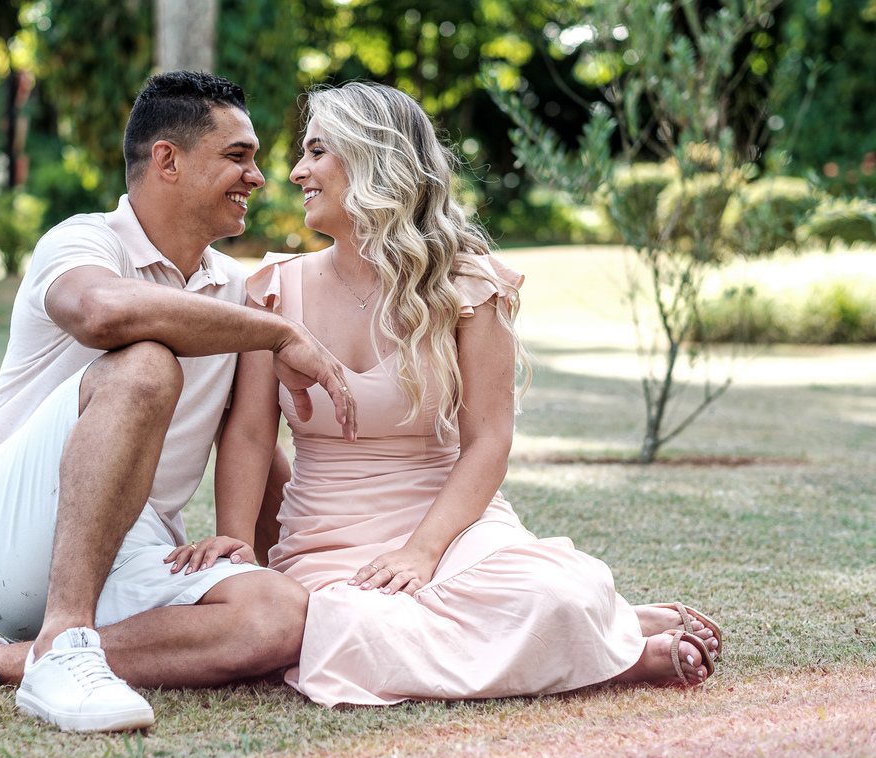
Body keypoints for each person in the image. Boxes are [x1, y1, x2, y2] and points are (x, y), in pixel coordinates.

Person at [170, 82, 724, 707]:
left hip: (453, 528)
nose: (297, 172)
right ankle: (604, 640)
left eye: (317, 152)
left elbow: (489, 442)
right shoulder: (273, 288)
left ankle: (603, 640)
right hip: (327, 538)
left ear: (374, 160)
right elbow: (249, 431)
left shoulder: (469, 286)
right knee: (349, 627)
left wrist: (421, 552)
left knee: (553, 596)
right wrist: (238, 546)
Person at [0, 71, 359, 732]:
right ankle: (64, 637)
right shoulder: (81, 240)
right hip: (7, 527)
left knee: (279, 615)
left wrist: (239, 545)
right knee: (146, 364)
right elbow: (102, 313)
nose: (258, 176)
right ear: (167, 160)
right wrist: (279, 332)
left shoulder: (236, 291)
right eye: (237, 157)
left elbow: (250, 436)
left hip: (131, 546)